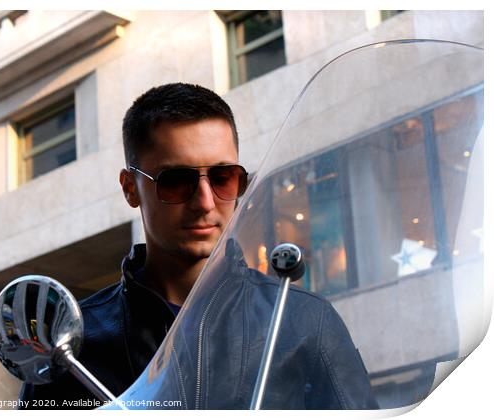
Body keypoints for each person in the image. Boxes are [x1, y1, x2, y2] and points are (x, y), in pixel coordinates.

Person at [19, 83, 377, 409]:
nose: (206, 202)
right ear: (131, 188)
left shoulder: (303, 321)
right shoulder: (74, 347)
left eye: (224, 178)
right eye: (176, 181)